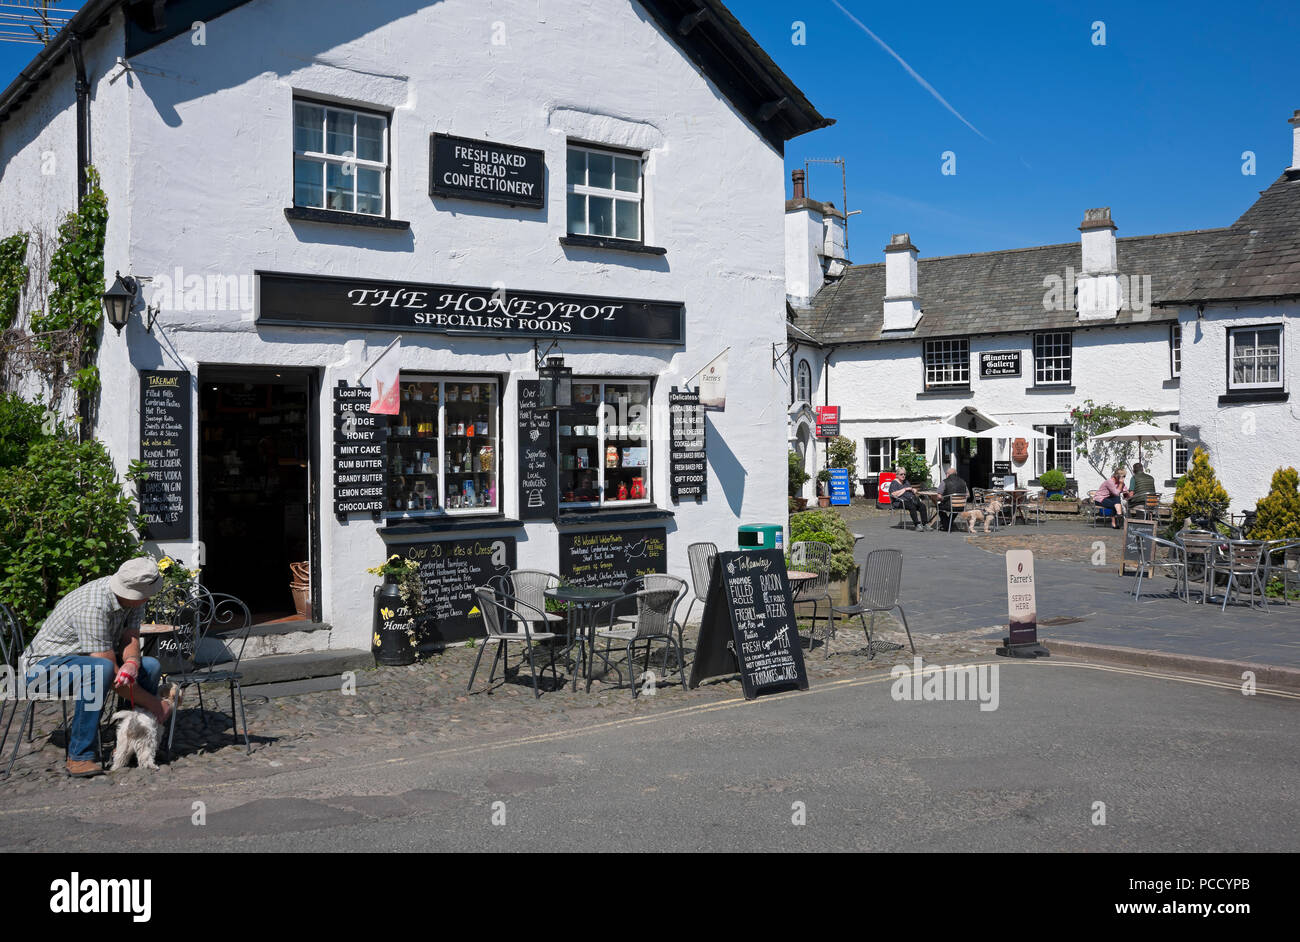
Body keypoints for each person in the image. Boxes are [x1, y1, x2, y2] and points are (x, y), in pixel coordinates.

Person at [20, 558, 172, 777]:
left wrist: (131, 663)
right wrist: (157, 704)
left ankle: (133, 742)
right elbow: (110, 674)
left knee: (150, 665)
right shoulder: (92, 605)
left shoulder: (136, 599)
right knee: (100, 670)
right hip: (43, 669)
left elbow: (131, 638)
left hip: (87, 662)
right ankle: (79, 756)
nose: (148, 598)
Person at [936, 466, 970, 531]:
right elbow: (968, 495)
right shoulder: (963, 482)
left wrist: (942, 499)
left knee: (938, 506)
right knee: (956, 507)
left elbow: (939, 496)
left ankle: (947, 525)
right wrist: (960, 500)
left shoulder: (944, 482)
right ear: (956, 474)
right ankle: (949, 524)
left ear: (947, 474)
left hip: (949, 505)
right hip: (961, 506)